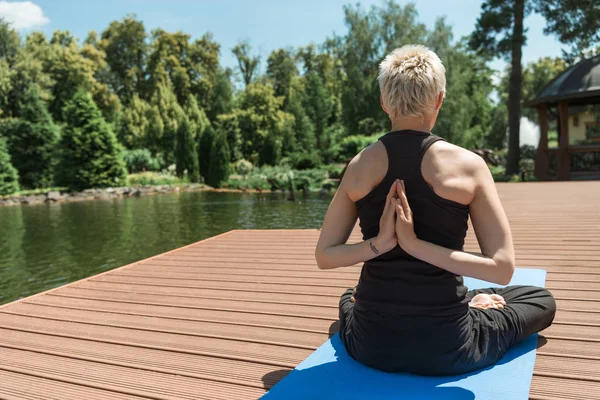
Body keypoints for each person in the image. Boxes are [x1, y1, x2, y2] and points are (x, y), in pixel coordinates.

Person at [314, 45, 556, 376]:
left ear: (385, 102)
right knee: (539, 300)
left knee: (349, 297)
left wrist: (380, 244)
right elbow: (501, 271)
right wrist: (416, 246)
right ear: (439, 99)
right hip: (448, 345)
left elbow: (325, 255)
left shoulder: (358, 166)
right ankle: (470, 300)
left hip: (370, 344)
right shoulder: (469, 166)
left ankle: (462, 299)